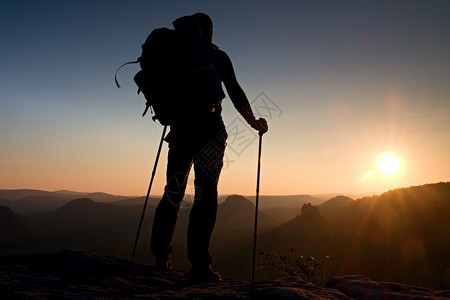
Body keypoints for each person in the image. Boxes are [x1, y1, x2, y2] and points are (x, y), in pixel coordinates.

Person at [150, 12, 268, 282]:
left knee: (173, 191)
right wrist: (253, 122)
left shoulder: (173, 53)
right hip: (211, 131)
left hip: (180, 131)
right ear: (210, 32)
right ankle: (200, 265)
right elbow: (235, 91)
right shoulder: (218, 56)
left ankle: (161, 258)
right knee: (205, 195)